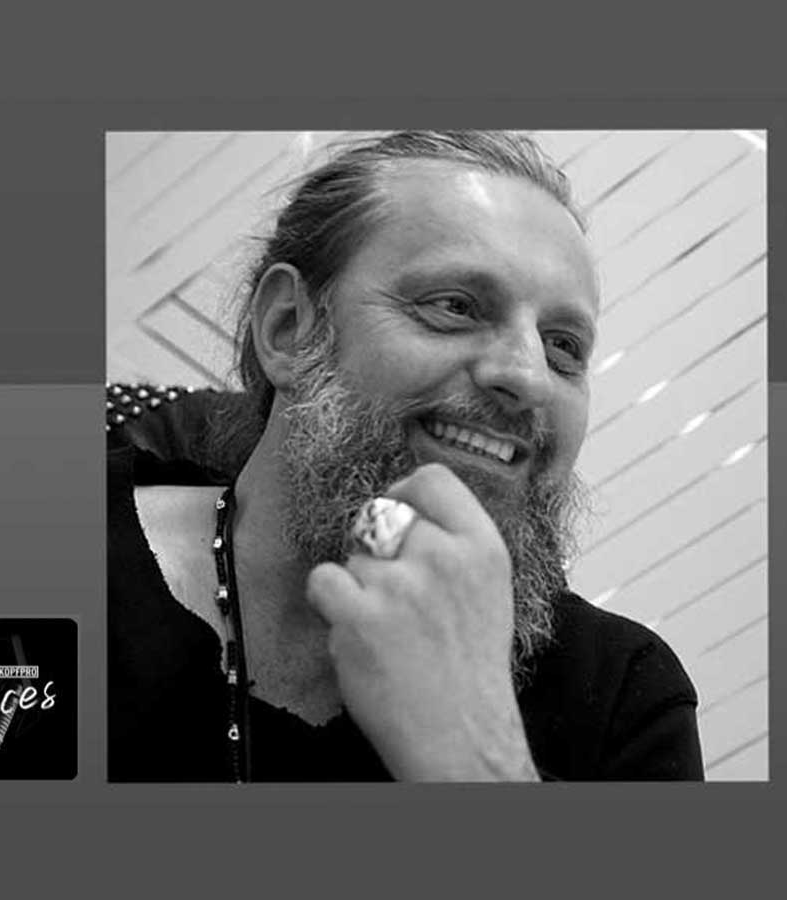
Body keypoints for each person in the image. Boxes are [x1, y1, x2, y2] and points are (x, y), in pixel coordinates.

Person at [107, 130, 705, 782]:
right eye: (456, 307)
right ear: (289, 329)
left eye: (563, 347)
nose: (528, 377)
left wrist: (474, 752)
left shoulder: (625, 697)